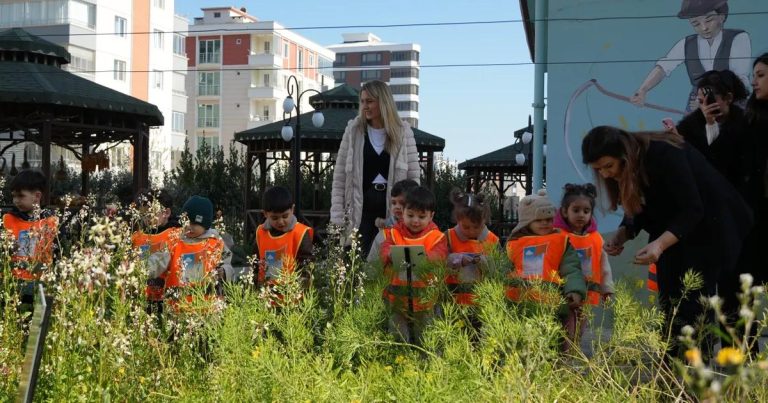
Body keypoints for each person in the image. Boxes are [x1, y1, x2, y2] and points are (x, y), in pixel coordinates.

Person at [581, 126, 752, 357]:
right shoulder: (632, 167)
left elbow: (692, 208)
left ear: (625, 156)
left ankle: (695, 370)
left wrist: (659, 244)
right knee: (670, 301)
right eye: (598, 169)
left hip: (712, 227)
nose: (605, 174)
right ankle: (672, 368)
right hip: (677, 230)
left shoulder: (664, 154)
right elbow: (642, 205)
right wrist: (624, 231)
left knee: (693, 302)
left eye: (608, 166)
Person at [330, 80, 420, 257]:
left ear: (383, 102)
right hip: (359, 207)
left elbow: (414, 177)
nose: (365, 106)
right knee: (355, 259)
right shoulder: (353, 130)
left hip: (393, 207)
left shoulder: (403, 132)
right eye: (362, 101)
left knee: (389, 260)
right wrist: (337, 215)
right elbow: (339, 176)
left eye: (369, 101)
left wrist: (412, 212)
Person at [630, 0, 751, 112]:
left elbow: (740, 79)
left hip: (731, 106)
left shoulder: (738, 38)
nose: (703, 28)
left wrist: (712, 101)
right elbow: (663, 67)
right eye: (696, 23)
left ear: (722, 16)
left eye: (708, 20)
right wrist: (643, 90)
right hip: (697, 107)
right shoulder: (686, 44)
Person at [505, 190, 587, 351]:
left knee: (552, 339)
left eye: (548, 219)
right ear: (526, 221)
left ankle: (553, 365)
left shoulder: (560, 242)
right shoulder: (514, 244)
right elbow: (504, 270)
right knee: (521, 342)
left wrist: (575, 290)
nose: (545, 224)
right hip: (519, 302)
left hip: (551, 302)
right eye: (539, 220)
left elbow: (571, 269)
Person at [379, 186, 448, 344]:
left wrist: (423, 257)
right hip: (397, 298)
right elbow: (384, 250)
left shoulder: (437, 237)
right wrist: (388, 254)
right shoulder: (393, 233)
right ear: (402, 213)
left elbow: (440, 256)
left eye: (421, 216)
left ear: (431, 216)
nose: (415, 220)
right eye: (410, 215)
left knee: (426, 336)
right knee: (397, 335)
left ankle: (427, 363)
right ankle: (399, 360)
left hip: (425, 300)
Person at [554, 183, 615, 344]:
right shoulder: (559, 236)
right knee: (567, 328)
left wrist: (607, 289)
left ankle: (572, 357)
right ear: (565, 212)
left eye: (586, 211)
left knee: (580, 328)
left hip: (588, 293)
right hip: (565, 292)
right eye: (576, 210)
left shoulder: (596, 239)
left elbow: (604, 266)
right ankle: (565, 359)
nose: (581, 215)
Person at [148, 196, 232, 311]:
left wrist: (224, 271)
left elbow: (228, 263)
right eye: (187, 222)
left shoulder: (215, 242)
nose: (190, 227)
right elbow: (157, 261)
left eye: (195, 224)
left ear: (205, 225)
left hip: (209, 309)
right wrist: (140, 269)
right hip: (177, 309)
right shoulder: (174, 240)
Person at [675, 69, 750, 190]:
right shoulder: (688, 127)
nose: (705, 106)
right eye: (701, 101)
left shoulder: (746, 124)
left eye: (710, 100)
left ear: (728, 98)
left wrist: (712, 125)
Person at [3, 170, 59, 304]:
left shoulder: (51, 222)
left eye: (21, 196)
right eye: (14, 196)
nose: (16, 200)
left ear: (37, 196)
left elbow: (55, 255)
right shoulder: (8, 219)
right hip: (11, 283)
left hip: (39, 283)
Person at [253, 186, 313, 301]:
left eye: (285, 216)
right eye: (274, 218)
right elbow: (255, 262)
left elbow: (307, 267)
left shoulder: (300, 233)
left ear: (292, 209)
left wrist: (299, 290)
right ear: (265, 214)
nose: (280, 222)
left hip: (292, 301)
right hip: (265, 299)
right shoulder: (261, 232)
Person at [444, 188, 500, 307]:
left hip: (483, 303)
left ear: (485, 220)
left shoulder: (493, 240)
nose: (472, 231)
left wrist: (485, 262)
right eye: (466, 227)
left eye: (476, 227)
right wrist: (458, 259)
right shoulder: (449, 236)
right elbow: (440, 262)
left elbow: (500, 269)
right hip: (453, 301)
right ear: (458, 220)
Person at [131, 190, 181, 316]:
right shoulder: (137, 237)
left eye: (152, 213)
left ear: (167, 213)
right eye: (144, 214)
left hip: (169, 301)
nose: (148, 218)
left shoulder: (176, 235)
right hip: (142, 300)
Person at [367, 178, 419, 262]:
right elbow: (370, 267)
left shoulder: (428, 233)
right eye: (394, 203)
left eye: (402, 203)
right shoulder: (384, 235)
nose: (397, 207)